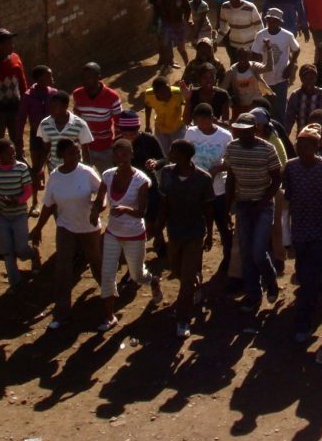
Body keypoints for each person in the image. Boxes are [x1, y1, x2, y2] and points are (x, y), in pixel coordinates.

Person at [30, 137, 102, 330]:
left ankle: (109, 295)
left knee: (95, 262)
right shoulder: (55, 176)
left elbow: (102, 191)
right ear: (61, 155)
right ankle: (62, 312)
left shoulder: (87, 172)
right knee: (63, 268)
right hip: (66, 227)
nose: (77, 155)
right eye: (72, 152)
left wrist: (97, 208)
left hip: (88, 226)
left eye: (78, 151)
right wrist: (38, 228)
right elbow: (48, 205)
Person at [282, 123, 322, 342]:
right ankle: (309, 305)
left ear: (317, 146)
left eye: (308, 144)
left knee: (311, 276)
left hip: (319, 229)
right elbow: (286, 202)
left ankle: (303, 322)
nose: (302, 148)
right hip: (299, 228)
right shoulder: (290, 168)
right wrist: (285, 236)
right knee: (302, 271)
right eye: (300, 144)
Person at [94, 138, 157, 329]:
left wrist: (125, 209)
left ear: (132, 155)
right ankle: (109, 316)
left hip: (134, 234)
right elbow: (100, 200)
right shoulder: (107, 175)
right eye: (117, 155)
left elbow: (141, 212)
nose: (120, 158)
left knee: (137, 276)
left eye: (124, 154)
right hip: (113, 232)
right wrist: (94, 210)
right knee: (107, 273)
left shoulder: (141, 181)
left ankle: (153, 281)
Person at [157, 137, 215, 339]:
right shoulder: (166, 174)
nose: (169, 154)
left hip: (195, 233)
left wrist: (209, 233)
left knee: (187, 278)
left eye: (172, 151)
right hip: (174, 232)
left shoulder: (203, 179)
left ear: (183, 156)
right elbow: (164, 204)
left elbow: (208, 209)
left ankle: (183, 319)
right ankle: (195, 284)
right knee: (177, 269)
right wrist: (158, 232)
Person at [225, 112, 283, 312]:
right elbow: (231, 178)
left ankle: (271, 280)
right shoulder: (232, 148)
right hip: (243, 204)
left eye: (245, 130)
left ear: (254, 129)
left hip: (263, 205)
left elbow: (276, 178)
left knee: (258, 251)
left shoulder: (267, 149)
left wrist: (264, 200)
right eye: (238, 130)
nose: (241, 133)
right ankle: (253, 294)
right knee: (246, 252)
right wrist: (228, 206)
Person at [184, 103, 234, 270]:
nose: (202, 124)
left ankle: (229, 258)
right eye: (198, 120)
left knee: (222, 223)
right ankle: (195, 262)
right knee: (196, 226)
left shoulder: (225, 136)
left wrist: (217, 169)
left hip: (217, 187)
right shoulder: (191, 133)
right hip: (195, 188)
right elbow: (185, 155)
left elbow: (231, 162)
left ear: (212, 118)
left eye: (205, 120)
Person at [0, 136, 37, 292]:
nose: (13, 156)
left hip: (19, 215)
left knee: (21, 248)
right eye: (9, 154)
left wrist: (17, 200)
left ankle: (32, 254)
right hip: (4, 215)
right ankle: (14, 282)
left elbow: (28, 190)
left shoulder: (21, 168)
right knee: (7, 251)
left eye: (14, 153)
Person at [20, 66, 59, 208]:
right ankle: (35, 202)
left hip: (53, 135)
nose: (52, 78)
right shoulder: (28, 96)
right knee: (37, 168)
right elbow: (22, 118)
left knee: (54, 168)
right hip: (36, 136)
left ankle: (54, 199)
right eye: (49, 76)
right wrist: (18, 141)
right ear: (41, 78)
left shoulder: (54, 94)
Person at [72, 62, 122, 171]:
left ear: (98, 78)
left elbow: (119, 123)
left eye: (89, 78)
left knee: (108, 179)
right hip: (85, 148)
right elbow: (77, 119)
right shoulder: (77, 94)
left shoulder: (112, 97)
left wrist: (117, 146)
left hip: (105, 148)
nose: (85, 81)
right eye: (83, 78)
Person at [253, 7, 300, 121]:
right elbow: (255, 53)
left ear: (280, 22)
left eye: (274, 21)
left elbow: (296, 49)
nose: (271, 23)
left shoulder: (287, 35)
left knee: (280, 108)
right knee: (266, 108)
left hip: (281, 78)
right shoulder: (260, 35)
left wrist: (290, 66)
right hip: (265, 79)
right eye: (269, 20)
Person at [35, 89, 94, 175]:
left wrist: (87, 172)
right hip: (55, 170)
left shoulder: (80, 125)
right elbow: (46, 149)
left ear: (65, 106)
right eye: (50, 107)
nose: (51, 110)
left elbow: (85, 152)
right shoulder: (45, 124)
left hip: (75, 169)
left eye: (55, 107)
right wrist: (41, 169)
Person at [154, 0, 192, 71]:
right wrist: (164, 20)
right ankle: (167, 62)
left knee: (181, 48)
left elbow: (188, 10)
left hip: (179, 25)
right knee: (165, 44)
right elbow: (159, 8)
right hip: (167, 24)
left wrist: (186, 21)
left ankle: (188, 65)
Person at [219, 0, 264, 66]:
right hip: (234, 46)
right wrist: (216, 41)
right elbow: (223, 28)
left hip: (251, 46)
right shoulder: (225, 7)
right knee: (236, 70)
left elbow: (260, 28)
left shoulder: (250, 7)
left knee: (251, 71)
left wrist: (261, 45)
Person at [284, 63, 322, 136]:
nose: (309, 81)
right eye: (305, 78)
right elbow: (289, 120)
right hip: (302, 137)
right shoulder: (296, 96)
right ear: (301, 79)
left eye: (312, 78)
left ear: (316, 78)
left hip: (321, 137)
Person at [142, 77, 187, 154]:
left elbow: (187, 103)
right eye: (163, 93)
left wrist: (187, 120)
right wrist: (147, 125)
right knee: (162, 153)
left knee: (179, 152)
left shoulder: (178, 93)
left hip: (177, 127)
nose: (168, 94)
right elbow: (148, 106)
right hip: (160, 129)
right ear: (155, 93)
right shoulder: (149, 94)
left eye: (168, 91)